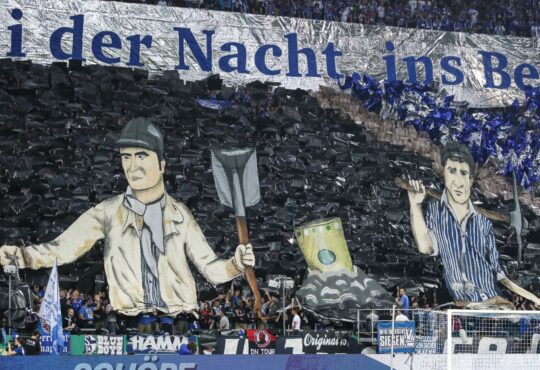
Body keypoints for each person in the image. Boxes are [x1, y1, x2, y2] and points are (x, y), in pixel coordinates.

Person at [0, 117, 255, 317]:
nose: (132, 167)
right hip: (129, 318)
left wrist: (235, 263)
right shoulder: (108, 212)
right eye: (126, 157)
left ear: (162, 165)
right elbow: (63, 249)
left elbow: (210, 270)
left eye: (141, 156)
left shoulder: (181, 215)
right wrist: (18, 256)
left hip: (180, 317)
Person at [407, 142, 540, 308]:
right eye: (452, 171)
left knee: (505, 312)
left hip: (488, 300)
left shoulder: (483, 223)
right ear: (444, 174)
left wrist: (534, 299)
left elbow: (500, 275)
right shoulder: (435, 212)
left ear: (471, 179)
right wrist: (415, 205)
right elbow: (425, 247)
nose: (458, 181)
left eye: (463, 173)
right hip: (463, 303)